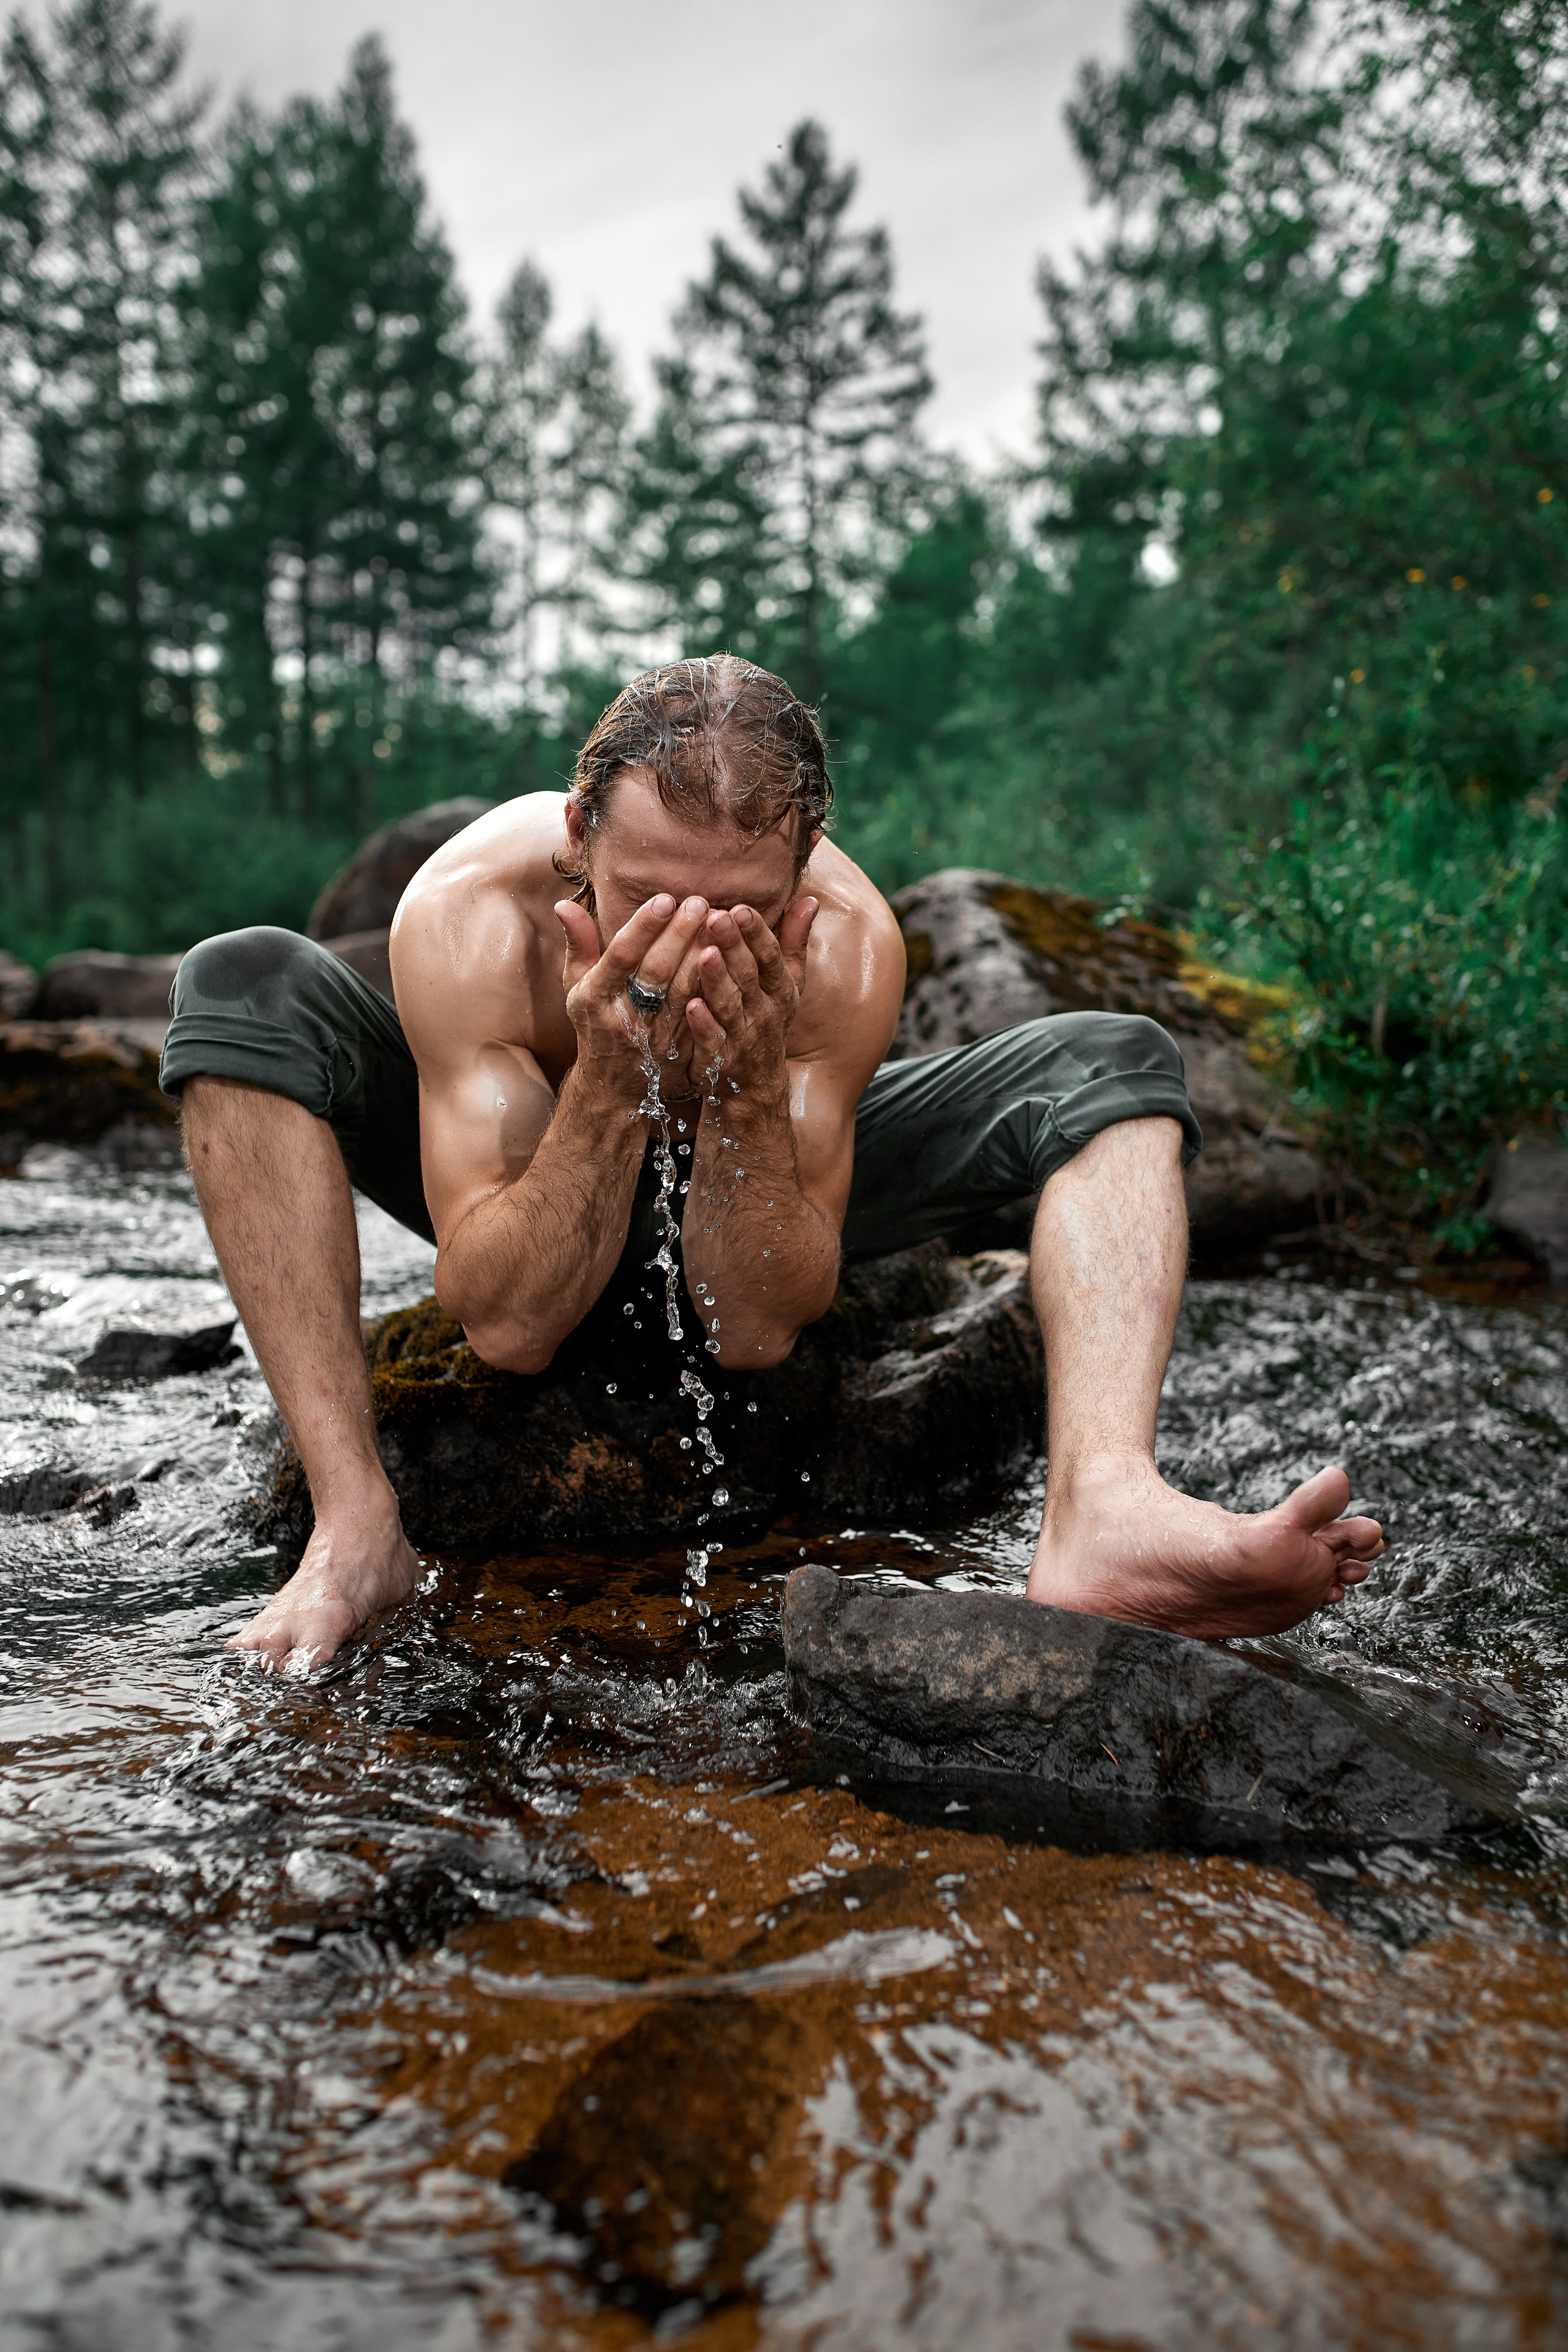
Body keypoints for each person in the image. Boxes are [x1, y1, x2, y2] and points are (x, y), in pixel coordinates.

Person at [163, 655, 1382, 1672]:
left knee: (1115, 1061)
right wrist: (600, 1079)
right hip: (538, 1182)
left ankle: (1103, 1507)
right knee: (238, 981)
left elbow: (747, 1328)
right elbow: (507, 1326)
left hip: (761, 1190)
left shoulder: (844, 948)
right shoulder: (473, 917)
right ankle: (354, 1521)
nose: (684, 947)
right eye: (644, 894)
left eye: (737, 911)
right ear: (579, 834)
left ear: (802, 866)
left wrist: (745, 1089)